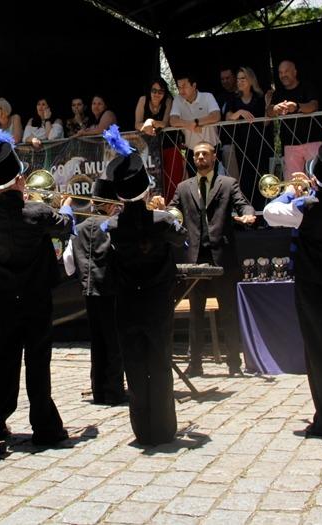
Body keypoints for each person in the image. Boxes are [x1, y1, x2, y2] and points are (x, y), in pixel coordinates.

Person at [0, 109, 74, 446]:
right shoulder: (39, 212)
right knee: (37, 361)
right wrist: (67, 207)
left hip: (4, 299)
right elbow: (66, 226)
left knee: (3, 359)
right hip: (35, 298)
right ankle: (44, 426)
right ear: (20, 179)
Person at [263, 111, 322, 437]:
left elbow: (270, 212)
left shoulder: (303, 209)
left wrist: (292, 191)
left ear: (315, 177)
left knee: (320, 352)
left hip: (312, 286)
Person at [102, 125, 188, 445]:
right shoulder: (163, 220)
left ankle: (142, 429)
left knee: (135, 367)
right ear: (146, 187)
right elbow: (183, 239)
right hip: (156, 303)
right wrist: (163, 212)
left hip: (127, 304)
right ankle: (163, 428)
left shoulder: (111, 225)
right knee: (159, 362)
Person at [168, 142, 255, 376]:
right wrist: (162, 212)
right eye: (196, 155)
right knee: (196, 313)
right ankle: (195, 364)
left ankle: (234, 364)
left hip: (222, 256)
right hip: (195, 257)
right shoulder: (184, 187)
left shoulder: (227, 184)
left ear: (214, 157)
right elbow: (173, 212)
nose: (200, 158)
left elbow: (243, 204)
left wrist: (247, 215)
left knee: (228, 311)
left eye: (204, 154)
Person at [63, 173, 125, 405]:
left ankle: (98, 389)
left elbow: (69, 265)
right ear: (109, 205)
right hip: (110, 289)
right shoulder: (113, 226)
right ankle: (114, 390)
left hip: (88, 291)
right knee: (113, 341)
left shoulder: (77, 229)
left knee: (97, 341)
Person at [226, 67, 273, 210]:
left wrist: (267, 104)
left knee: (262, 178)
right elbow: (228, 118)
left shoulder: (259, 98)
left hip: (260, 144)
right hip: (242, 145)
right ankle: (249, 215)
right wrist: (240, 112)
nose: (239, 82)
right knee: (245, 180)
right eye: (238, 79)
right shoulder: (234, 99)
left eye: (243, 78)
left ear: (251, 80)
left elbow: (266, 122)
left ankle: (264, 214)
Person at [267, 60, 321, 179]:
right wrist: (275, 108)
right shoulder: (278, 93)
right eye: (280, 72)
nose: (283, 75)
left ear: (295, 72)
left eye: (286, 71)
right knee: (293, 184)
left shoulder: (307, 86)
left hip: (311, 140)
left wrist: (296, 107)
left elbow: (313, 105)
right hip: (290, 143)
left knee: (317, 179)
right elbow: (269, 112)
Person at [135, 78, 182, 201]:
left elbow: (165, 123)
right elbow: (137, 124)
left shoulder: (168, 101)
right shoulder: (143, 100)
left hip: (168, 143)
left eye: (160, 91)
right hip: (148, 147)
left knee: (171, 178)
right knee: (152, 178)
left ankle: (173, 208)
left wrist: (151, 122)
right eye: (154, 91)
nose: (156, 94)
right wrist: (146, 127)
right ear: (149, 91)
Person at [169, 75, 222, 177]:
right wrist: (189, 124)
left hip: (212, 147)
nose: (181, 90)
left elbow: (216, 116)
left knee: (214, 181)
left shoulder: (207, 96)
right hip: (192, 150)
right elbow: (173, 120)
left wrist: (197, 122)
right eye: (179, 87)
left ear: (194, 86)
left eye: (184, 86)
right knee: (195, 183)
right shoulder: (177, 100)